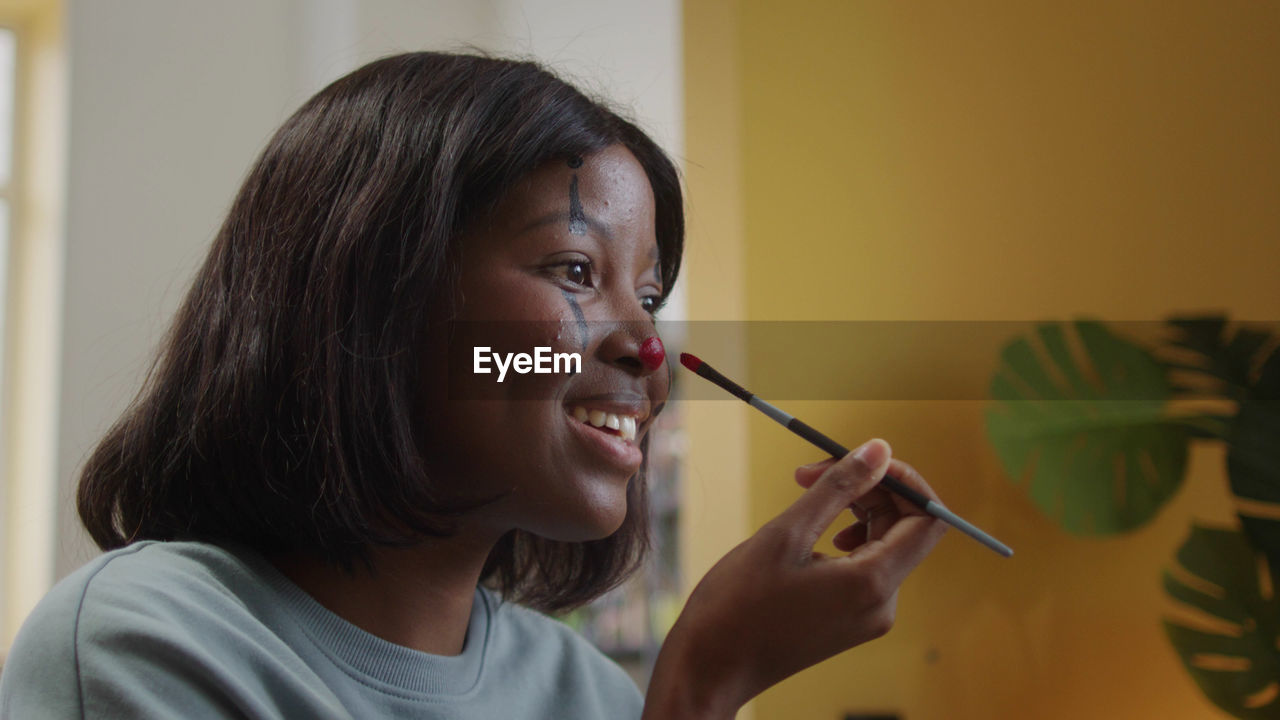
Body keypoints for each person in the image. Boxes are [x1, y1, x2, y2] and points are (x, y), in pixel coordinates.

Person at [0, 52, 947, 719]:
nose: (648, 347)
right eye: (576, 270)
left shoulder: (585, 694)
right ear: (374, 294)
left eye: (650, 294)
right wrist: (702, 688)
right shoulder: (149, 646)